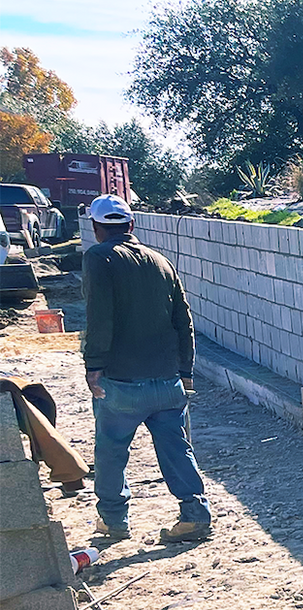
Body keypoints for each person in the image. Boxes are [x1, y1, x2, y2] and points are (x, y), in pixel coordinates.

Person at [80, 194, 210, 544]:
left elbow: (99, 317)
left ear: (96, 228)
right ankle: (195, 514)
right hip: (168, 382)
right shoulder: (161, 261)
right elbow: (184, 321)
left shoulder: (98, 258)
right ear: (132, 225)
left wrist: (94, 366)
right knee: (176, 447)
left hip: (122, 382)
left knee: (111, 449)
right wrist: (186, 372)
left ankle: (113, 521)